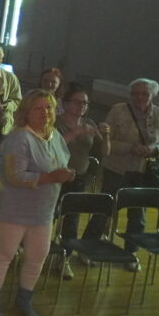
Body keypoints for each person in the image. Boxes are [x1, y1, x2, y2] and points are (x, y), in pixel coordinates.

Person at [0, 90, 74, 316]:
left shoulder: (55, 136)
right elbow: (13, 176)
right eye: (38, 108)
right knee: (5, 254)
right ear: (27, 112)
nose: (45, 112)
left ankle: (24, 300)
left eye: (49, 107)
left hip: (43, 209)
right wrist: (50, 177)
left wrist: (65, 174)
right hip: (14, 208)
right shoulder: (19, 138)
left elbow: (61, 162)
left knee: (37, 256)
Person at [97, 78, 159, 269]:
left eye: (144, 94)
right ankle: (89, 247)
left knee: (138, 216)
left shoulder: (158, 114)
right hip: (117, 168)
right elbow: (106, 141)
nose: (139, 97)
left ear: (153, 95)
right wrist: (130, 148)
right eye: (135, 93)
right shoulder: (118, 110)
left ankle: (130, 253)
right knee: (104, 210)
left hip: (143, 172)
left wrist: (154, 150)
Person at [55, 83, 110, 277]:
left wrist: (106, 135)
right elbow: (53, 146)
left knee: (72, 219)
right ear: (66, 103)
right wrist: (76, 132)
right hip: (55, 175)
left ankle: (65, 257)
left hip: (78, 177)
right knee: (49, 215)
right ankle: (30, 248)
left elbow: (103, 152)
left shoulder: (90, 124)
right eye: (77, 102)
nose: (82, 106)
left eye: (85, 103)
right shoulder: (56, 122)